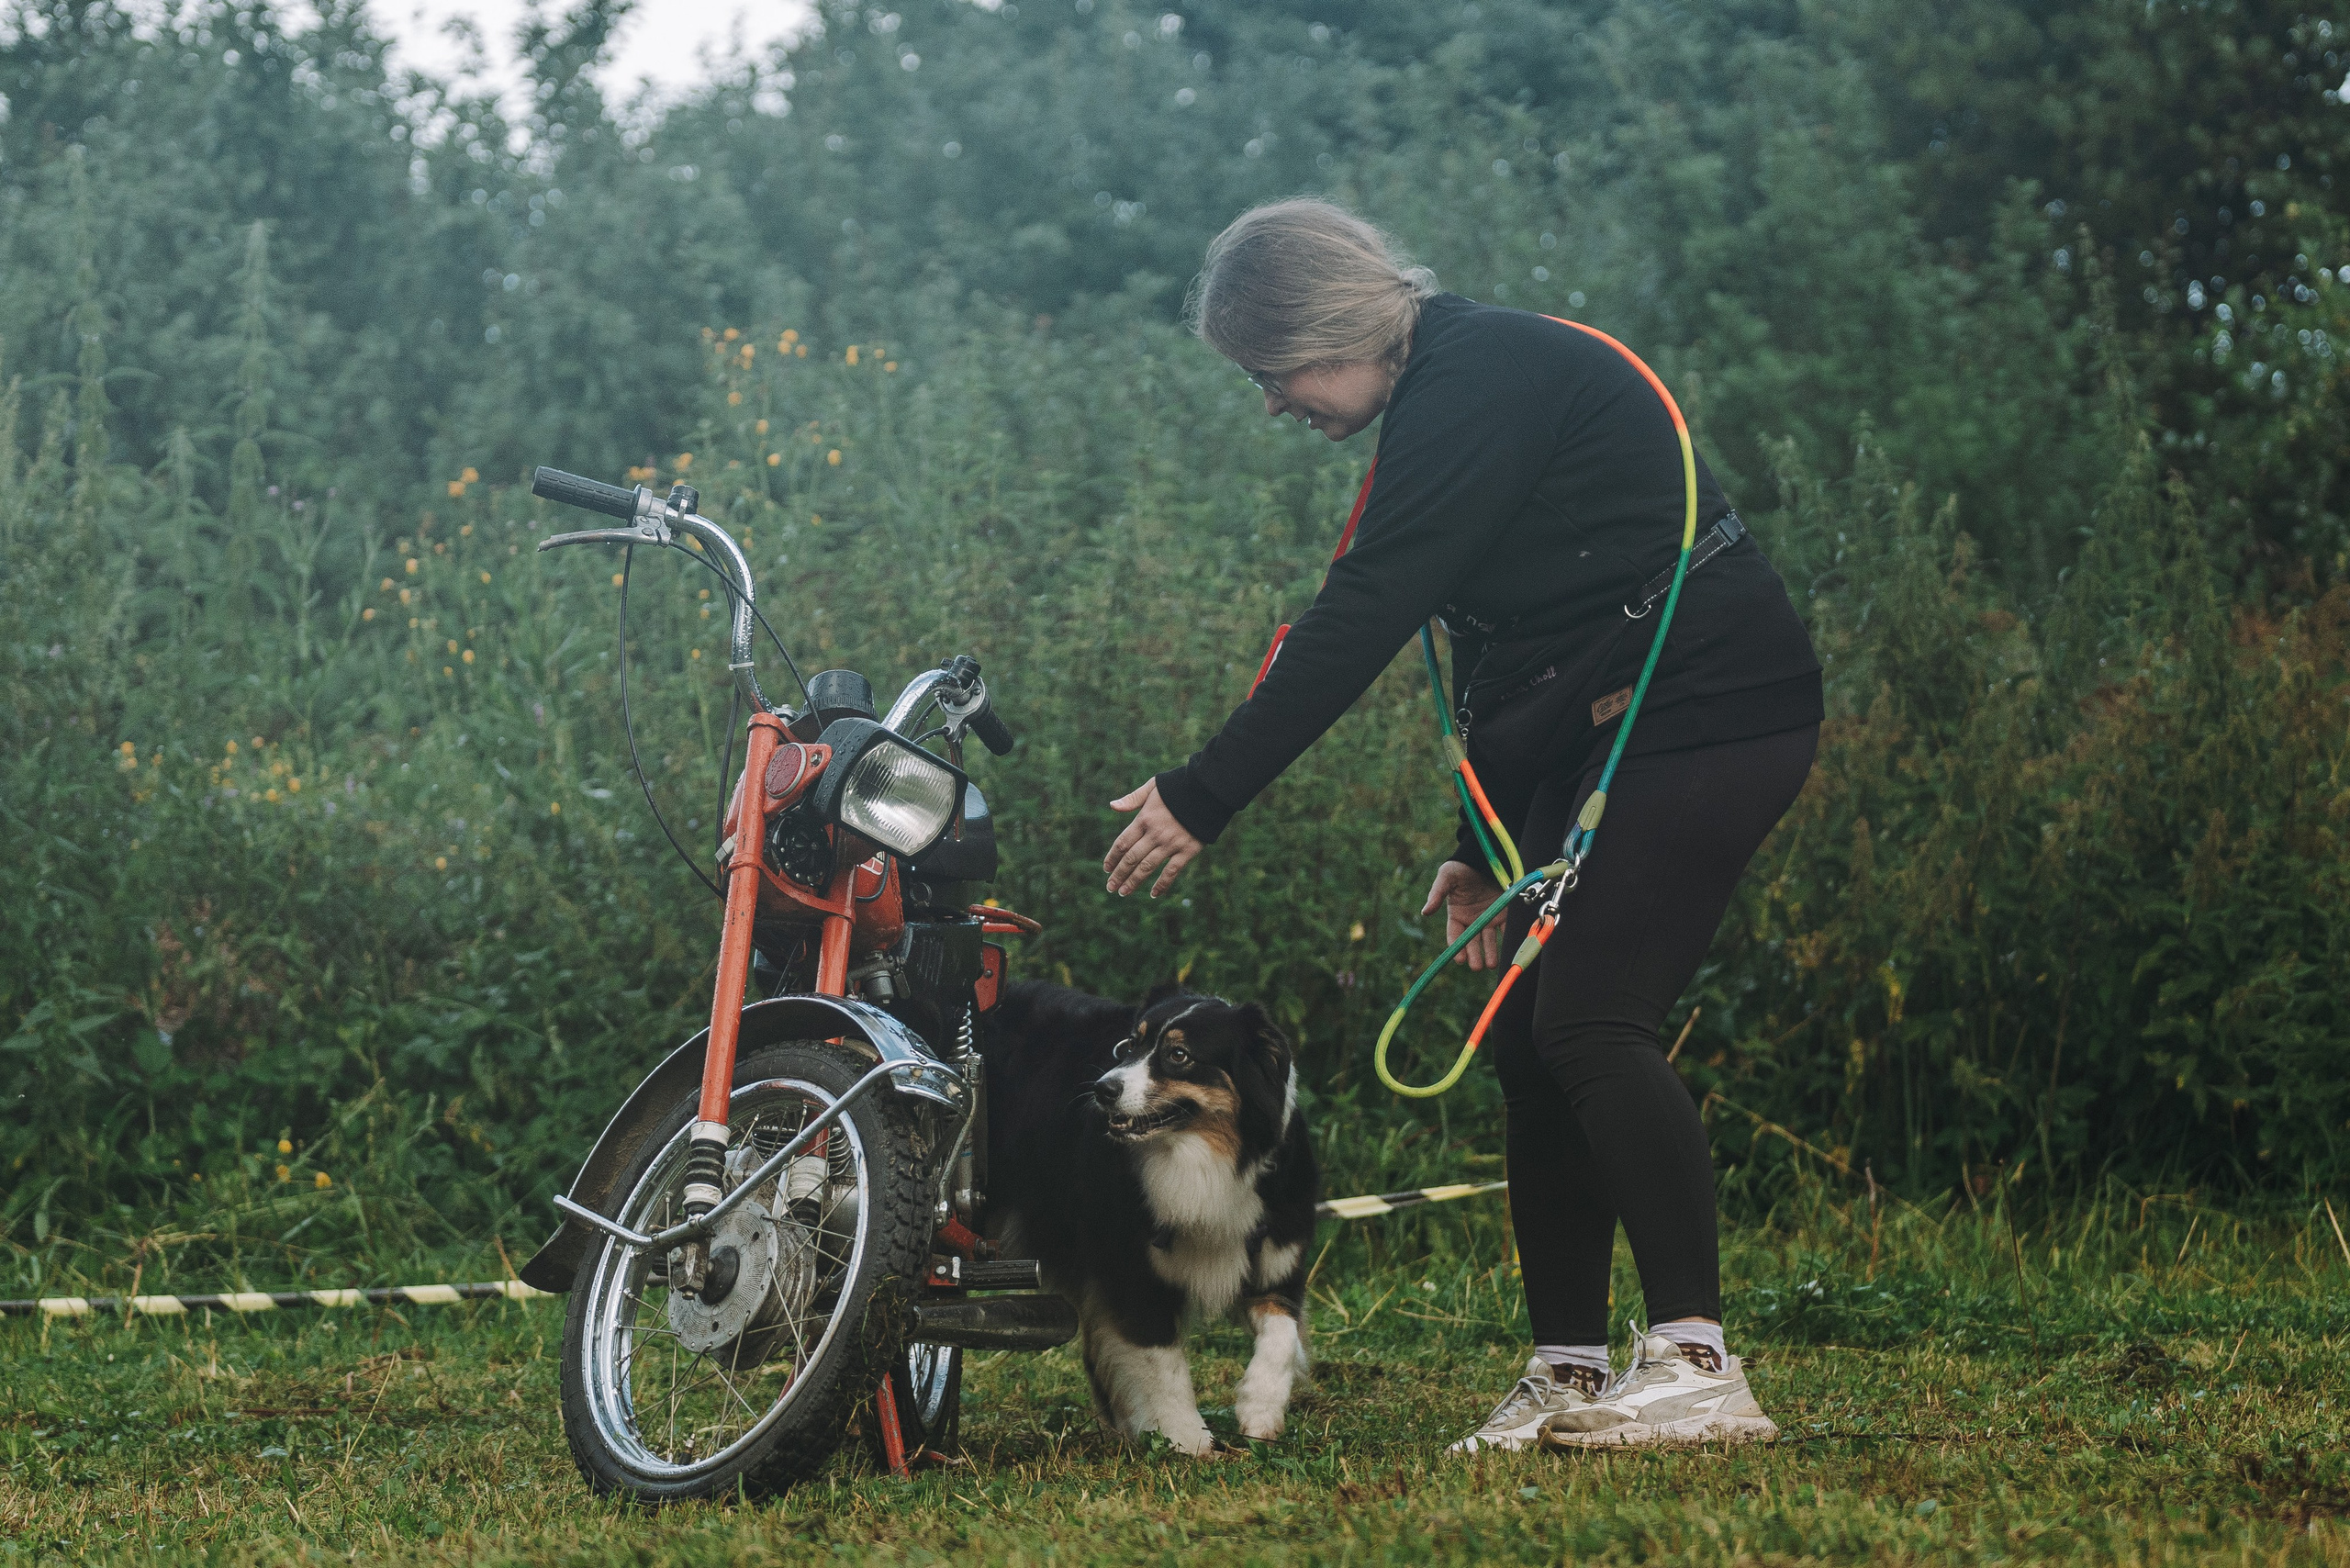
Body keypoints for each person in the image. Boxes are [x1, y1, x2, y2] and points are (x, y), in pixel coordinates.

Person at [1101, 197, 1820, 1451]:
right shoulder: (1444, 394)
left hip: (1712, 708)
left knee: (1593, 1019)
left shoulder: (1477, 376)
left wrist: (1204, 791)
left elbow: (1370, 606)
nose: (1274, 406)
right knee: (1532, 1048)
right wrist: (1479, 846)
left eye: (1273, 375)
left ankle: (1699, 1367)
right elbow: (1491, 650)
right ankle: (1569, 1372)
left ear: (1328, 331)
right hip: (1600, 721)